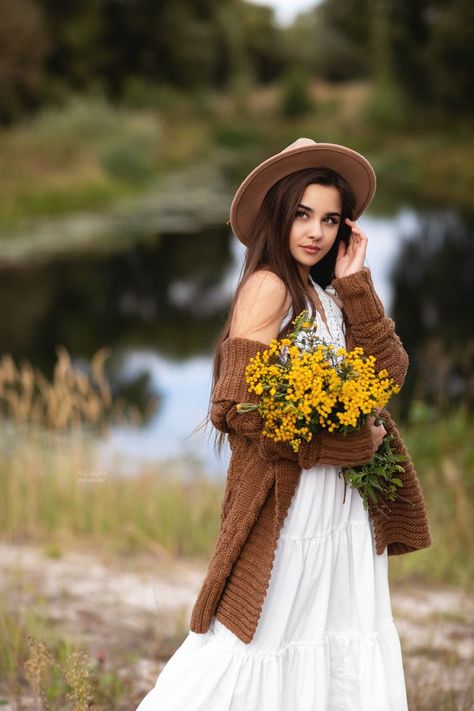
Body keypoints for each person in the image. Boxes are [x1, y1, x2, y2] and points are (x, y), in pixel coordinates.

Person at [136, 138, 432, 710]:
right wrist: (344, 446)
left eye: (330, 219)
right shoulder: (269, 286)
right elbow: (236, 409)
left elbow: (390, 373)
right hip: (290, 508)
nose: (315, 232)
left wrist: (355, 281)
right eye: (302, 214)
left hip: (341, 512)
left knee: (327, 640)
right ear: (279, 213)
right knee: (263, 642)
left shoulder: (330, 296)